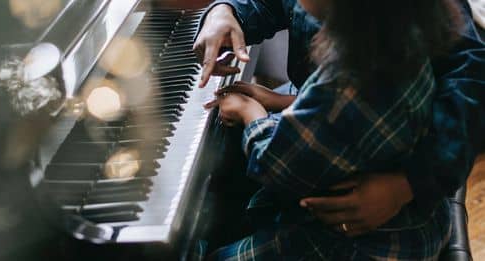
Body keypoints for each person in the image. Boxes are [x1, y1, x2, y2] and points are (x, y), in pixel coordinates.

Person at [192, 0, 485, 259]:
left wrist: (408, 184)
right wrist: (224, 9)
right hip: (353, 138)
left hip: (365, 235)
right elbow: (361, 106)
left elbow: (279, 165)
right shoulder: (396, 34)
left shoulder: (351, 74)